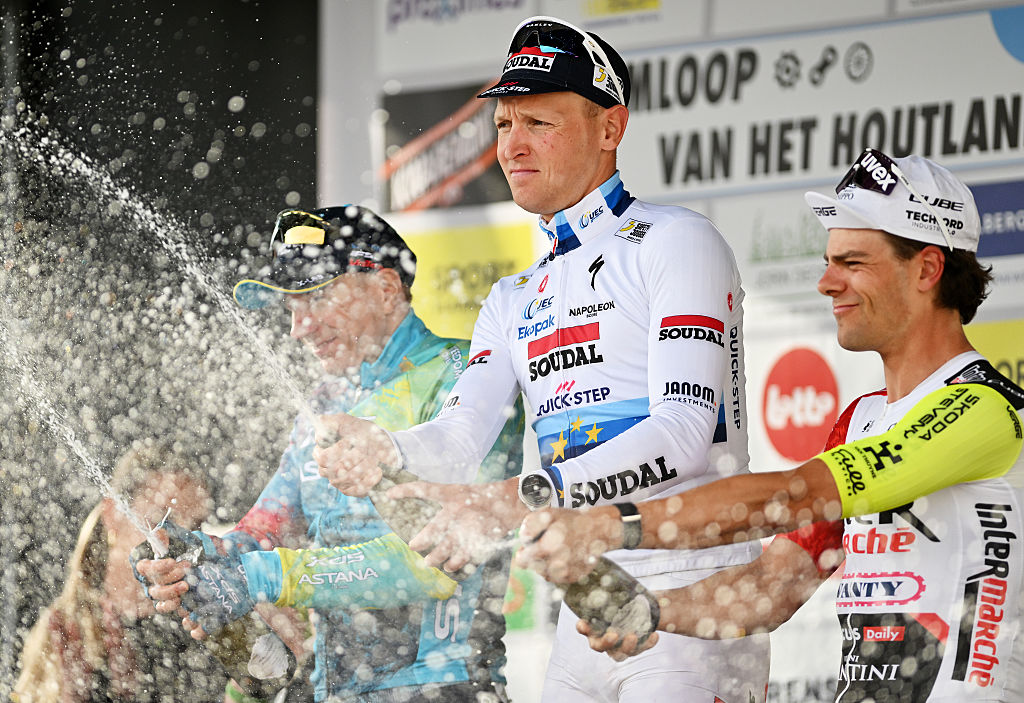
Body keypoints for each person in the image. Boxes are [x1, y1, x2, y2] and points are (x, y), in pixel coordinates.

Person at [314, 16, 771, 703]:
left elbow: (683, 434)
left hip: (694, 587)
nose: (512, 146)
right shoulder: (511, 295)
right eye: (502, 125)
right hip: (584, 603)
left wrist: (513, 499)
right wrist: (387, 449)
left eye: (538, 122)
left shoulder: (677, 242)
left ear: (610, 127)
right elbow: (461, 437)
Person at [517, 150, 1024, 702]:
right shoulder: (861, 419)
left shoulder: (989, 408)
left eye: (853, 263)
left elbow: (795, 495)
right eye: (829, 261)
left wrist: (614, 523)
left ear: (927, 269)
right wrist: (653, 609)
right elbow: (771, 585)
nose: (827, 283)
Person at [134, 205, 524, 703]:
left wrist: (264, 576)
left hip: (442, 689)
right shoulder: (324, 403)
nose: (300, 328)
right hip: (333, 691)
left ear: (385, 290)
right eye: (291, 308)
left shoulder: (466, 375)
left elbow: (436, 564)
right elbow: (264, 533)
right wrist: (193, 555)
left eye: (315, 298)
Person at [12, 442, 227, 703]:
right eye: (162, 520)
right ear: (113, 514)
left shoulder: (207, 628)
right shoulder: (63, 635)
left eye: (195, 526)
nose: (181, 542)